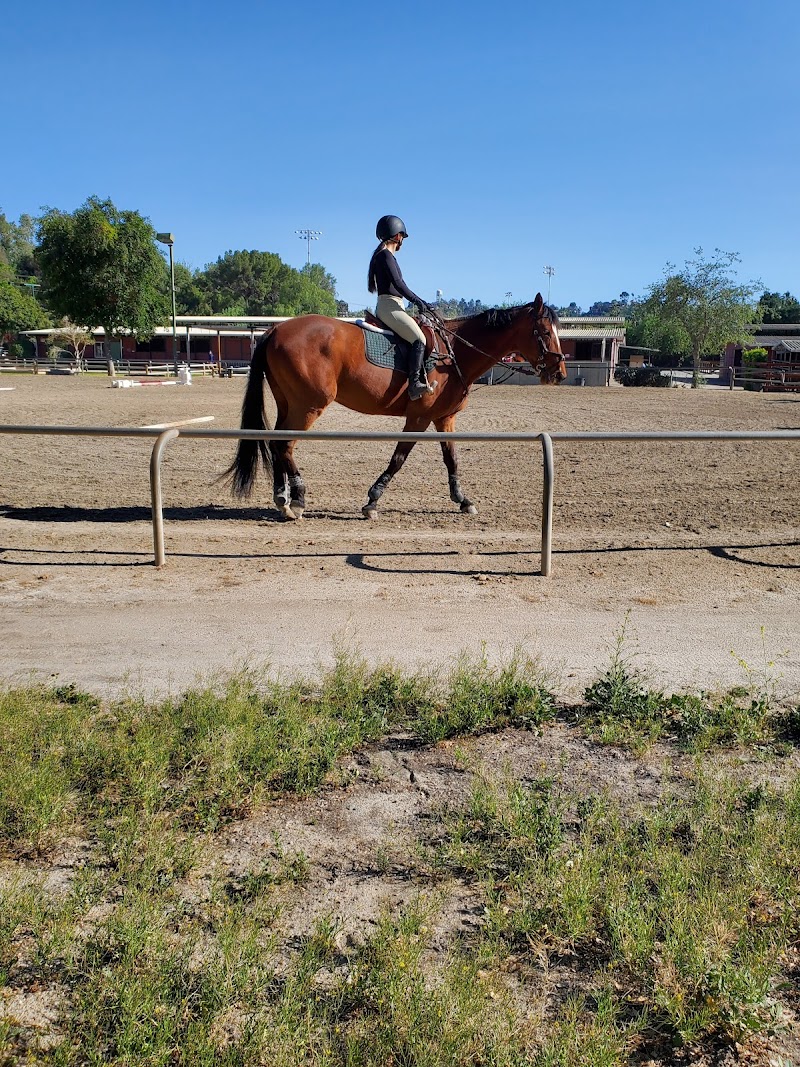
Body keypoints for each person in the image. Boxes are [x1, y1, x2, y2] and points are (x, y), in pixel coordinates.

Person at [368, 215, 436, 401]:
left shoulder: (383, 256)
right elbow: (399, 284)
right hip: (390, 307)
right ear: (397, 236)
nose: (402, 241)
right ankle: (414, 384)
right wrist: (419, 302)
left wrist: (419, 301)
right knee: (419, 339)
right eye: (402, 237)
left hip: (393, 305)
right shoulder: (385, 256)